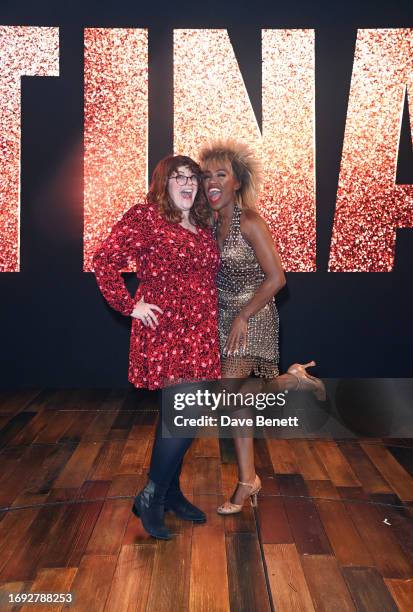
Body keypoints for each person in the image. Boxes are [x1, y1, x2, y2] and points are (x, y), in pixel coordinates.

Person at [93, 155, 221, 539]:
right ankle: (150, 497)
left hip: (200, 331)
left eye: (192, 178)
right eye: (178, 178)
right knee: (183, 418)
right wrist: (130, 304)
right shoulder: (145, 217)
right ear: (163, 184)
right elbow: (104, 260)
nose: (187, 184)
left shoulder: (200, 221)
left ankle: (169, 493)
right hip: (167, 331)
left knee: (180, 419)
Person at [199, 139, 325, 514]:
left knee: (234, 395)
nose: (211, 183)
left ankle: (245, 482)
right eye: (206, 176)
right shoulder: (207, 222)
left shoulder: (249, 221)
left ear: (237, 182)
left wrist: (243, 315)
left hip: (254, 315)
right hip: (222, 317)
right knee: (240, 397)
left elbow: (276, 278)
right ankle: (295, 380)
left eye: (221, 174)